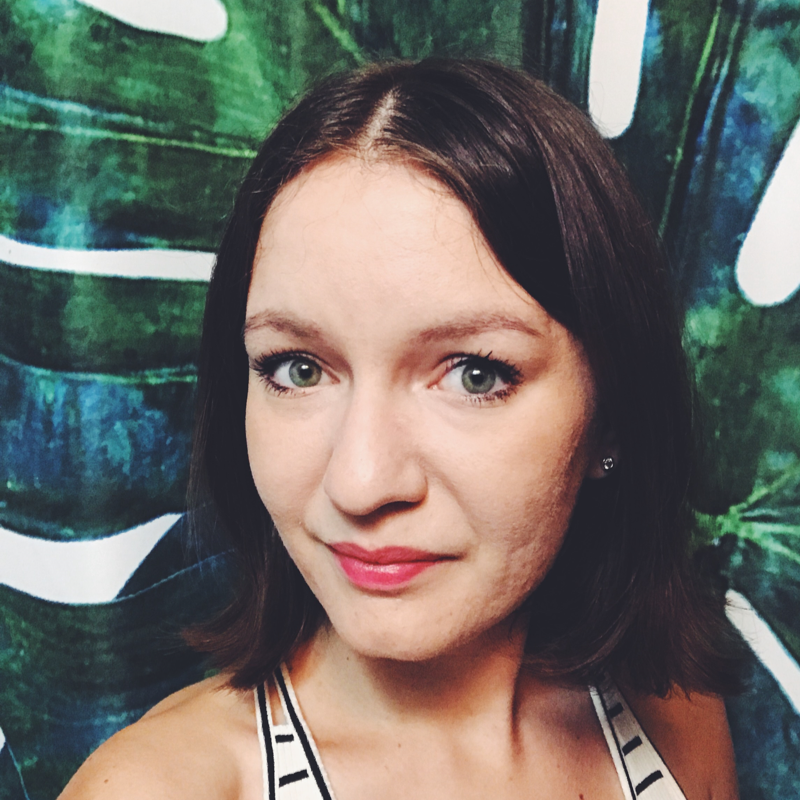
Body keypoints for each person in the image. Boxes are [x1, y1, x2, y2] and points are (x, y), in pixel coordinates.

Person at [61, 59, 747, 800]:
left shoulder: (674, 718)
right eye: (298, 368)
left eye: (475, 375)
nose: (360, 482)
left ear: (611, 417)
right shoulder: (159, 788)